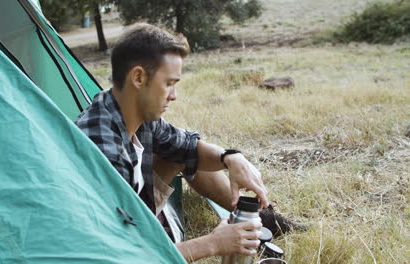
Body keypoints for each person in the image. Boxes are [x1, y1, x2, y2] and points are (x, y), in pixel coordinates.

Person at [76, 23, 302, 262]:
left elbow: (187, 146)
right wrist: (213, 244)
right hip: (114, 246)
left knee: (178, 152)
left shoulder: (129, 111)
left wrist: (232, 158)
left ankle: (266, 220)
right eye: (169, 84)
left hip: (134, 218)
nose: (174, 95)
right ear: (139, 78)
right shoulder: (103, 149)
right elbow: (126, 256)